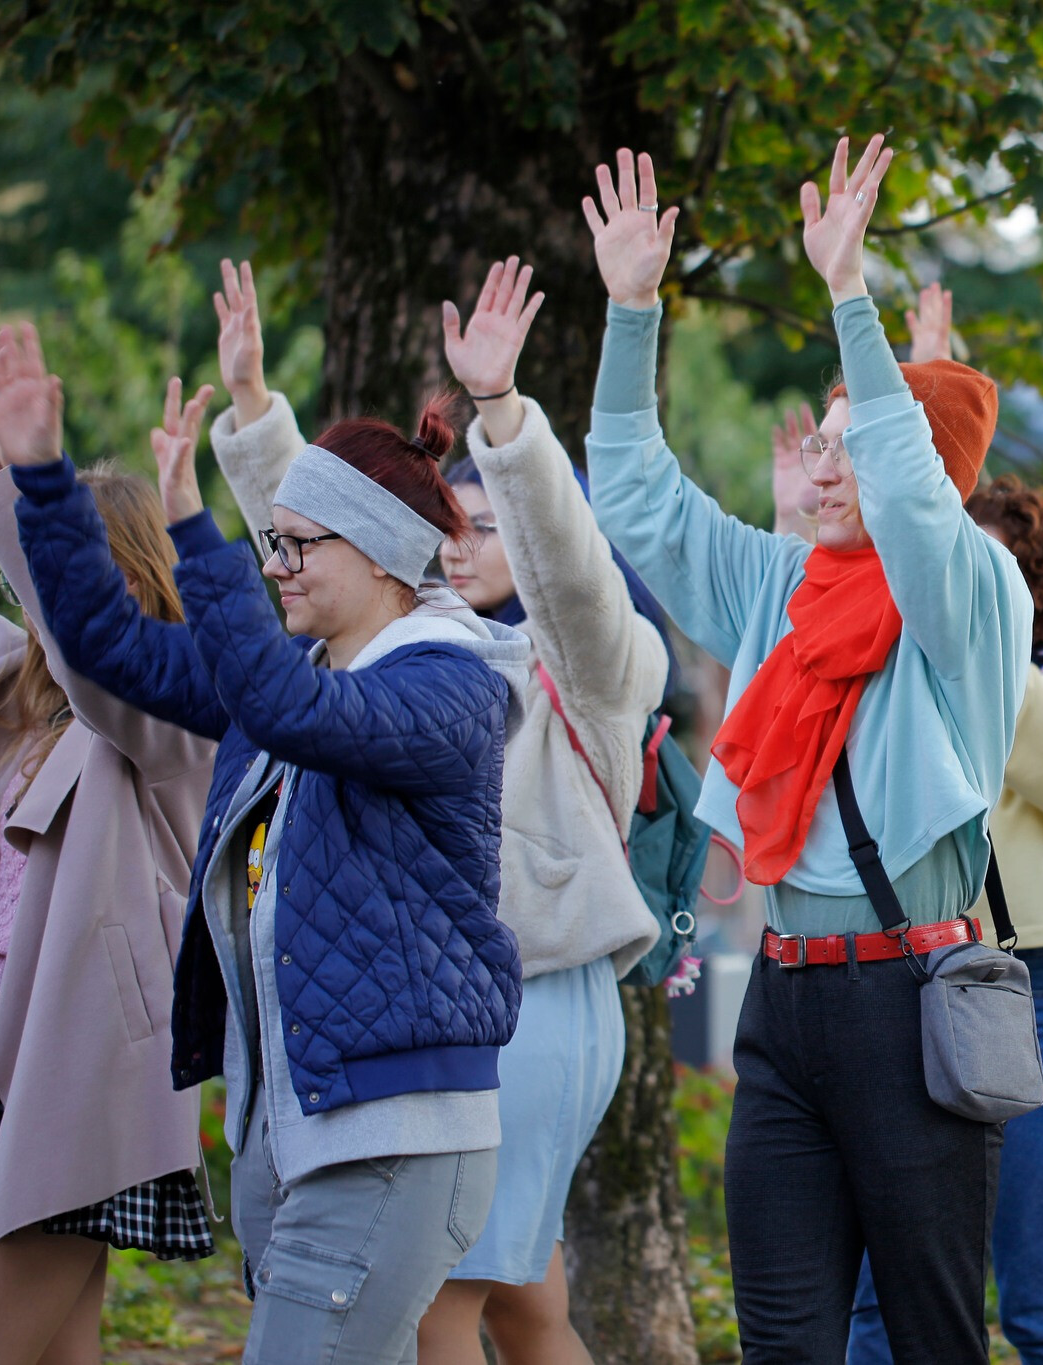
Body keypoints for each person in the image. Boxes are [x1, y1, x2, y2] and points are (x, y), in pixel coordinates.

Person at [0, 322, 528, 1363]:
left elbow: (290, 715)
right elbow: (109, 648)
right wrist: (45, 481)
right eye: (269, 544)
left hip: (395, 1138)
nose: (276, 567)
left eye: (294, 545)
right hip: (295, 1133)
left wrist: (198, 530)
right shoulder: (303, 672)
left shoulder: (451, 686)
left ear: (377, 552)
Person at [583, 138, 1031, 1364]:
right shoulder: (786, 588)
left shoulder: (969, 595)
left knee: (935, 1339)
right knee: (781, 1339)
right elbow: (638, 499)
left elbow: (910, 493)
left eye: (849, 441)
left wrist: (849, 291)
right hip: (784, 999)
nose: (822, 465)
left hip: (908, 1000)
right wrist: (632, 312)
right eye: (820, 441)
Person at [194, 257, 672, 1365]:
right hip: (429, 1004)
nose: (464, 539)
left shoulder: (585, 664)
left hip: (534, 1002)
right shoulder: (400, 649)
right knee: (521, 1307)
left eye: (490, 526)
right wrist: (257, 413)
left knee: (443, 1309)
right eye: (452, 523)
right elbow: (335, 541)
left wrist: (503, 420)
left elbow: (563, 560)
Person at [0, 333, 217, 1365]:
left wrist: (32, 489)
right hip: (27, 1044)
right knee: (60, 1351)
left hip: (95, 1064)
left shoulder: (171, 706)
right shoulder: (37, 701)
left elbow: (88, 653)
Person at [848, 462, 1043, 1362]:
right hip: (914, 988)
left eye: (980, 569)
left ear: (1035, 587)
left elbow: (994, 676)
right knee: (881, 1301)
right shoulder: (910, 695)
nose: (950, 588)